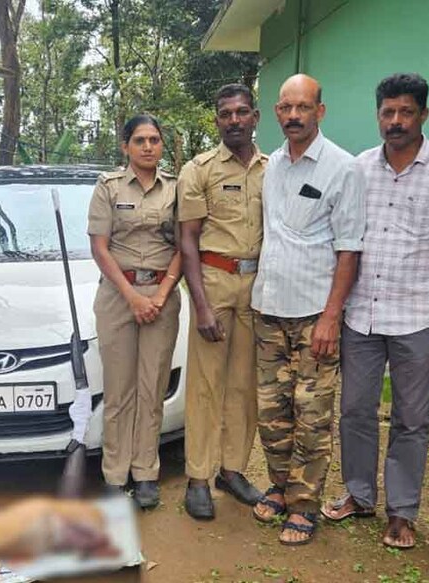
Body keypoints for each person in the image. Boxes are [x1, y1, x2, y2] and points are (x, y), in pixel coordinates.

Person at [324, 73, 429, 550]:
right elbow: (343, 239)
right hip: (362, 315)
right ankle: (358, 493)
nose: (395, 121)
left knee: (412, 418)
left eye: (405, 112)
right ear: (378, 115)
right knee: (354, 410)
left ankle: (402, 512)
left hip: (421, 314)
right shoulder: (358, 168)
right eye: (387, 112)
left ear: (423, 115)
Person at [250, 74, 365, 545]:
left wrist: (332, 317)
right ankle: (279, 485)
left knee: (312, 412)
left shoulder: (343, 168)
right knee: (270, 410)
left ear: (320, 111)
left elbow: (349, 248)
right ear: (276, 112)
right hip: (268, 308)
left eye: (303, 107)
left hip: (314, 314)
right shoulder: (272, 165)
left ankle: (304, 504)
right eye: (285, 107)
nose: (293, 116)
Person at [177, 84, 269, 519]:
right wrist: (200, 305)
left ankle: (231, 471)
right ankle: (198, 477)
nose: (234, 120)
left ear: (256, 117)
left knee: (244, 384)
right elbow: (188, 241)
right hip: (214, 280)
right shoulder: (200, 170)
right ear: (216, 120)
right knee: (205, 386)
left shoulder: (276, 169)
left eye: (242, 112)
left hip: (260, 287)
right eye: (225, 114)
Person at [87, 114, 182, 509]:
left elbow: (184, 248)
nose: (147, 147)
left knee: (152, 388)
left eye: (154, 140)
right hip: (117, 295)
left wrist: (159, 295)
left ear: (162, 146)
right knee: (119, 390)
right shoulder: (107, 187)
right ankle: (114, 474)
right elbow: (99, 246)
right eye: (139, 140)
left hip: (162, 293)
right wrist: (132, 297)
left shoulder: (177, 190)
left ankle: (146, 472)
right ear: (126, 146)